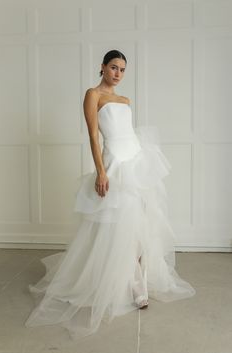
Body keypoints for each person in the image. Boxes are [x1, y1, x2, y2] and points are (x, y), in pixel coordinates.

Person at [25, 49, 196, 340]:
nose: (118, 73)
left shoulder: (125, 100)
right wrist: (101, 171)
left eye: (122, 70)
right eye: (113, 67)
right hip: (114, 164)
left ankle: (137, 281)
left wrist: (142, 164)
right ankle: (134, 287)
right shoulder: (93, 94)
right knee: (120, 227)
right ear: (102, 67)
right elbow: (94, 135)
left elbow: (128, 134)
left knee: (142, 226)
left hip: (137, 163)